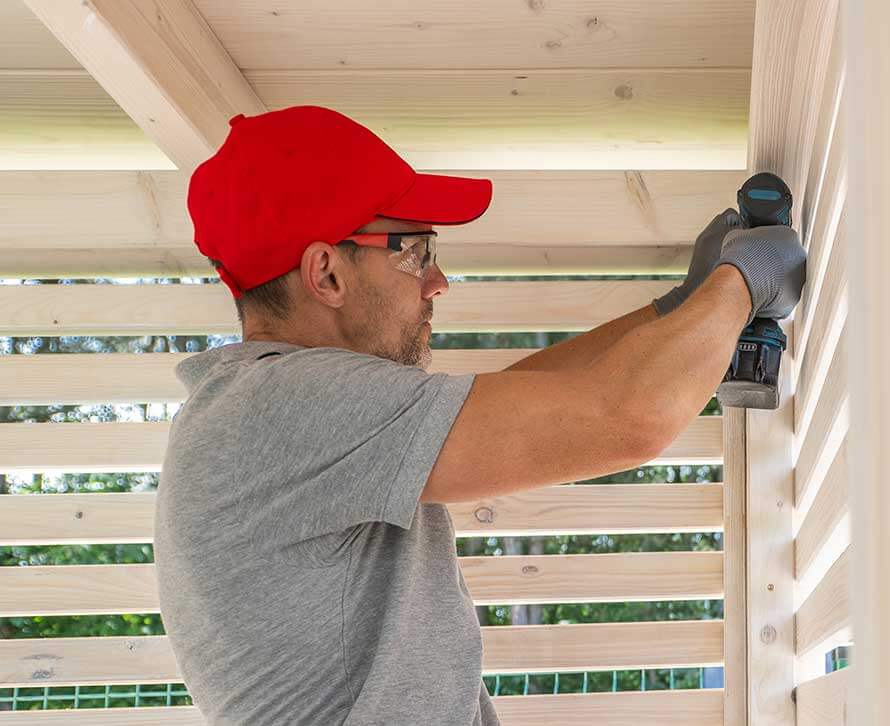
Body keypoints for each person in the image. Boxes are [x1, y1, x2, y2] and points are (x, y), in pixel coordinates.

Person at [154, 105, 806, 726]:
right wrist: (742, 281)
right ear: (326, 274)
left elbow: (527, 398)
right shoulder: (286, 408)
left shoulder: (260, 410)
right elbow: (626, 417)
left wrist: (682, 308)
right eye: (413, 249)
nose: (437, 281)